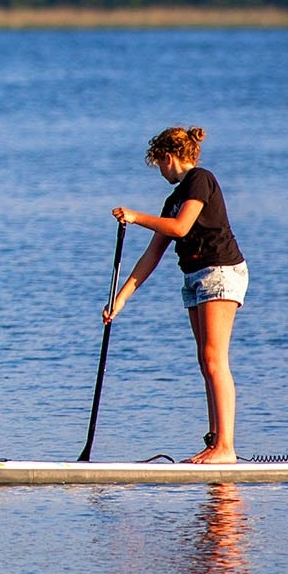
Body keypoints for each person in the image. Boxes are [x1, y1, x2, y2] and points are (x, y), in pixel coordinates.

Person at [103, 125, 247, 464]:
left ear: (168, 157)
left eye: (160, 165)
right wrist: (119, 301)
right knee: (205, 360)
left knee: (214, 359)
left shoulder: (200, 179)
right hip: (195, 278)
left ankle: (225, 447)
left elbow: (181, 228)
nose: (161, 173)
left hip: (220, 273)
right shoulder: (173, 200)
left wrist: (137, 217)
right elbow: (152, 255)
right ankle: (215, 442)